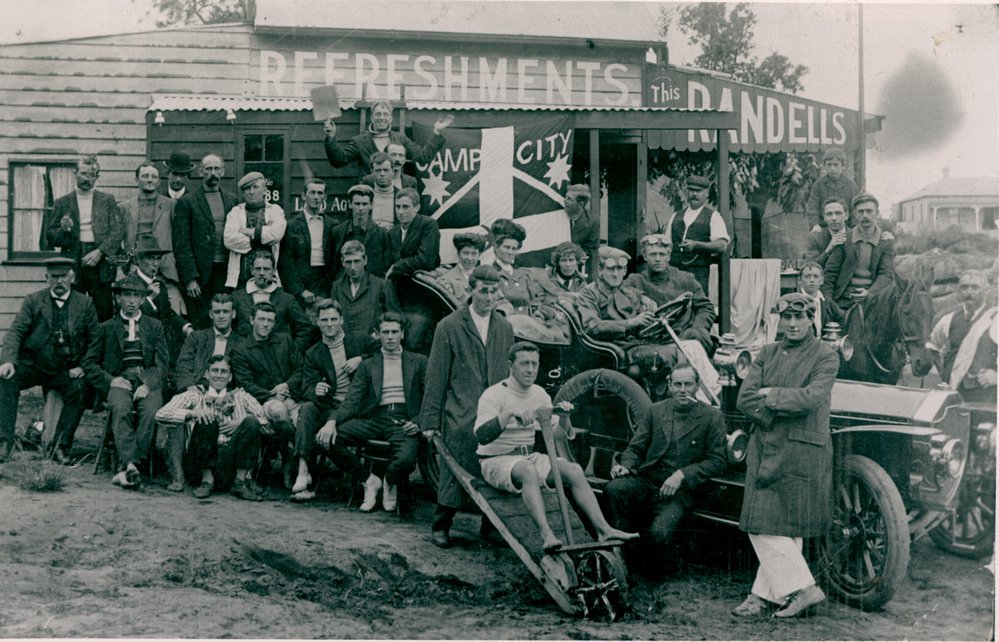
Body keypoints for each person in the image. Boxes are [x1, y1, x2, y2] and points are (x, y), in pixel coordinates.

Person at [474, 341, 639, 551]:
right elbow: (482, 435)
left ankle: (603, 530)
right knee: (528, 470)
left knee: (574, 470)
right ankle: (547, 534)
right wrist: (508, 414)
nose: (530, 369)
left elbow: (557, 436)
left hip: (528, 457)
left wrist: (564, 417)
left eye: (534, 364)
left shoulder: (539, 394)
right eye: (524, 363)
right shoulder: (494, 394)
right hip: (496, 460)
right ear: (511, 366)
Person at [732, 293, 838, 618]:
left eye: (799, 317)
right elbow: (744, 399)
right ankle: (790, 590)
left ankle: (786, 592)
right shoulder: (766, 353)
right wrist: (779, 406)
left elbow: (810, 398)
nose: (792, 324)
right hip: (766, 447)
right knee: (763, 522)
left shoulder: (826, 356)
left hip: (802, 451)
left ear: (811, 319)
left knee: (784, 526)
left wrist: (771, 395)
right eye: (786, 317)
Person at [421, 265, 514, 547]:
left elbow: (509, 373)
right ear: (471, 290)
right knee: (456, 465)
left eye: (494, 291)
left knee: (496, 464)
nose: (489, 297)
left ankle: (490, 525)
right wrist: (430, 421)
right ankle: (442, 524)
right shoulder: (449, 326)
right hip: (462, 410)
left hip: (495, 410)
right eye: (483, 291)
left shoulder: (505, 327)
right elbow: (436, 376)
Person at [601, 365, 727, 564]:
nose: (682, 390)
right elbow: (636, 448)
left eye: (688, 384)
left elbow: (717, 461)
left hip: (681, 492)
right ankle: (620, 553)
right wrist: (625, 465)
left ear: (698, 386)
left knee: (659, 535)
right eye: (677, 384)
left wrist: (682, 475)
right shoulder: (656, 410)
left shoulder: (712, 416)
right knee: (614, 489)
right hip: (648, 481)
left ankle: (651, 563)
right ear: (669, 385)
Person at [315, 312, 427, 512]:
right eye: (385, 332)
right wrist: (331, 422)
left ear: (402, 334)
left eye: (394, 332)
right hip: (375, 419)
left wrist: (418, 422)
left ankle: (389, 482)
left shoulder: (418, 361)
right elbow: (352, 400)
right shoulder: (368, 365)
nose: (390, 337)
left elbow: (430, 399)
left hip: (404, 422)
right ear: (377, 334)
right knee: (329, 438)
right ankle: (369, 480)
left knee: (406, 460)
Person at [576, 246, 721, 398]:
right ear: (600, 270)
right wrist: (630, 323)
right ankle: (691, 399)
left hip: (639, 343)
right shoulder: (589, 293)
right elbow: (592, 326)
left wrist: (654, 318)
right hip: (617, 348)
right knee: (679, 352)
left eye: (620, 269)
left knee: (693, 346)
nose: (616, 274)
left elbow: (642, 317)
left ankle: (713, 394)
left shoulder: (627, 293)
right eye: (611, 269)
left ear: (625, 271)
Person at [0, 258, 101, 464]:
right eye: (54, 277)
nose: (59, 281)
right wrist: (8, 361)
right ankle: (3, 442)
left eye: (63, 276)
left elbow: (96, 340)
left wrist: (83, 365)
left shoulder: (85, 303)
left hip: (65, 369)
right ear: (46, 278)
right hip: (35, 365)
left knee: (79, 389)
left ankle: (61, 446)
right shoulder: (34, 300)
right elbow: (16, 331)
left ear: (72, 277)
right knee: (5, 381)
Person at [83, 274, 170, 489]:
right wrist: (111, 380)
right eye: (127, 295)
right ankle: (132, 464)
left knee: (151, 411)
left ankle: (128, 466)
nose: (131, 300)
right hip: (120, 380)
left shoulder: (155, 325)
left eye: (136, 296)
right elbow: (89, 363)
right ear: (118, 298)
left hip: (147, 379)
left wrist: (148, 383)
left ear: (142, 299)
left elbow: (163, 362)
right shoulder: (106, 327)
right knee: (121, 409)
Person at [155, 354, 266, 501]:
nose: (219, 375)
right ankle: (207, 481)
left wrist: (240, 423)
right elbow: (161, 414)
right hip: (198, 466)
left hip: (230, 464)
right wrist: (193, 413)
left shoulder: (241, 396)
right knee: (207, 418)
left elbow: (266, 421)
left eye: (223, 371)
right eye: (215, 370)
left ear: (230, 377)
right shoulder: (194, 395)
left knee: (251, 421)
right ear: (207, 374)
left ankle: (240, 483)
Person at [291, 299, 364, 498]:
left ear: (341, 320)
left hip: (355, 408)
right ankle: (303, 470)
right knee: (307, 408)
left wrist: (361, 359)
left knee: (321, 431)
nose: (329, 324)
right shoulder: (314, 352)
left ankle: (308, 478)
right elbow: (306, 388)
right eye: (324, 320)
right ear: (317, 322)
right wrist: (316, 390)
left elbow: (381, 353)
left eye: (333, 319)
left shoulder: (358, 341)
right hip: (331, 407)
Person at [229, 302, 303, 488]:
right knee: (279, 411)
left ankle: (300, 465)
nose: (265, 324)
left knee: (304, 421)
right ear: (251, 320)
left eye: (270, 320)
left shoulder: (284, 340)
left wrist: (286, 385)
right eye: (261, 319)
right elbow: (245, 383)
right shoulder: (242, 349)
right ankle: (288, 460)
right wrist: (272, 394)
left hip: (292, 395)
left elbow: (300, 368)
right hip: (265, 400)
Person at [45, 155, 123, 321]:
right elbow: (51, 236)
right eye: (83, 174)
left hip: (100, 262)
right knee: (74, 311)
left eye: (92, 175)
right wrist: (64, 230)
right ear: (75, 173)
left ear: (97, 177)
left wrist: (100, 252)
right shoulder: (62, 202)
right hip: (73, 260)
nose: (87, 179)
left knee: (104, 312)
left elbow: (117, 232)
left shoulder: (107, 200)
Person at [173, 153, 239, 329]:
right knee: (201, 320)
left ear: (222, 171)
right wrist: (190, 278)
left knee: (225, 317)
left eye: (217, 169)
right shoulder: (187, 202)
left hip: (226, 270)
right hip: (201, 275)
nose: (213, 173)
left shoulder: (232, 200)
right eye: (209, 169)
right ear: (201, 172)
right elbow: (181, 243)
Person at [624, 233, 716, 354]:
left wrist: (698, 328)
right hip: (651, 340)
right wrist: (641, 296)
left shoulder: (685, 279)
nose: (658, 259)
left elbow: (706, 308)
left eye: (662, 254)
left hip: (683, 335)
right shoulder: (636, 280)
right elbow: (620, 288)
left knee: (696, 340)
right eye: (653, 254)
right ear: (645, 256)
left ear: (669, 256)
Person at [488, 218, 566, 344]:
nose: (510, 252)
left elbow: (535, 304)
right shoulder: (490, 275)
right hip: (510, 332)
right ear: (496, 248)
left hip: (532, 327)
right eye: (506, 247)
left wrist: (542, 315)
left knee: (560, 335)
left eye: (514, 248)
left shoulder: (524, 275)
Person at [323, 100, 453, 174]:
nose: (381, 117)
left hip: (394, 194)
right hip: (369, 195)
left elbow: (422, 157)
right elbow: (338, 161)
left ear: (390, 118)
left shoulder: (401, 139)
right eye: (378, 114)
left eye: (385, 114)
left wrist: (436, 132)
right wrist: (331, 136)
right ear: (372, 117)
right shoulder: (359, 141)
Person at [121, 161, 183, 315]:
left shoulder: (172, 205)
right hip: (135, 272)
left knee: (173, 313)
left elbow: (180, 239)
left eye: (153, 177)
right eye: (145, 176)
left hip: (165, 271)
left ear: (159, 181)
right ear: (137, 179)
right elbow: (118, 241)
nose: (149, 180)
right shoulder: (124, 208)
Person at [927, 271, 997, 404]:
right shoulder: (949, 319)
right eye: (965, 287)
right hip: (954, 391)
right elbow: (932, 345)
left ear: (986, 290)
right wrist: (943, 372)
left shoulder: (995, 318)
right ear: (959, 290)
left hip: (986, 395)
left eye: (975, 287)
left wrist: (996, 376)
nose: (969, 292)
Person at [822, 192, 895, 310]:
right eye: (861, 211)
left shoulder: (885, 241)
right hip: (844, 300)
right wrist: (829, 306)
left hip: (874, 300)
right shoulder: (844, 239)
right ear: (855, 214)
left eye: (869, 211)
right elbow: (830, 274)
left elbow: (886, 274)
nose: (865, 215)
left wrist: (869, 293)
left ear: (877, 213)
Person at [232, 250, 313, 354]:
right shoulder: (237, 297)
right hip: (245, 355)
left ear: (274, 271)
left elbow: (305, 328)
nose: (262, 273)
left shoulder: (286, 299)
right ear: (251, 270)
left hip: (276, 357)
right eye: (258, 269)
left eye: (266, 269)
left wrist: (291, 351)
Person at [330, 240, 400, 357]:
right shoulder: (337, 286)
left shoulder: (381, 285)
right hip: (345, 349)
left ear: (365, 260)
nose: (353, 267)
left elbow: (394, 317)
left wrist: (378, 334)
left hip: (373, 350)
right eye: (348, 262)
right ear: (342, 262)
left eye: (357, 261)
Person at [665, 175, 730, 294]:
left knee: (697, 302)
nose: (695, 194)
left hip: (698, 275)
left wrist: (697, 245)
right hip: (674, 273)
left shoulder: (713, 217)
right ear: (687, 192)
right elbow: (666, 244)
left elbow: (722, 245)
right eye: (691, 190)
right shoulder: (676, 216)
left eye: (699, 191)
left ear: (706, 193)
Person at [278, 178, 337, 309]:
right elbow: (286, 262)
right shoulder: (291, 226)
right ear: (304, 195)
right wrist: (300, 290)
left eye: (320, 193)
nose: (316, 197)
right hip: (302, 282)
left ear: (325, 197)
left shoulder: (333, 225)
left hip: (325, 283)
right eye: (312, 192)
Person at [223, 171, 287, 290]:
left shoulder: (275, 210)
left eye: (255, 187)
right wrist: (261, 238)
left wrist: (249, 232)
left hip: (269, 279)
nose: (251, 192)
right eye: (247, 188)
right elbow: (229, 240)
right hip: (241, 279)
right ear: (243, 193)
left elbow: (276, 234)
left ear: (264, 190)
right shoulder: (235, 212)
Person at [175, 293, 238, 393]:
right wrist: (190, 386)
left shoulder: (241, 343)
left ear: (233, 314)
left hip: (228, 392)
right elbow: (183, 365)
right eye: (217, 312)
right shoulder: (196, 337)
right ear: (210, 314)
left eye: (226, 312)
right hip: (197, 388)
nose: (221, 316)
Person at [329, 184, 393, 280]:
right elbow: (332, 266)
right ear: (350, 204)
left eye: (365, 204)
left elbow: (385, 267)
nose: (361, 208)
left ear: (371, 205)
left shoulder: (382, 234)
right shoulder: (338, 231)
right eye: (357, 204)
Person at [386, 187, 440, 278]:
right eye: (397, 207)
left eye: (405, 207)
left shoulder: (428, 225)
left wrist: (396, 266)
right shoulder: (393, 232)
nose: (400, 212)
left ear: (417, 207)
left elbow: (425, 260)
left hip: (421, 280)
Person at [805, 148, 859, 231]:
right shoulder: (818, 185)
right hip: (824, 227)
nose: (832, 168)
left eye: (836, 165)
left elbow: (855, 209)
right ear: (824, 165)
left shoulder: (851, 185)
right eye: (829, 165)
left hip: (846, 228)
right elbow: (813, 208)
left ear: (842, 166)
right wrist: (815, 224)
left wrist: (854, 226)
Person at [796, 260, 843, 337]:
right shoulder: (795, 301)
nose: (812, 280)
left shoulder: (827, 302)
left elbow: (842, 320)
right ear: (799, 280)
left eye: (816, 276)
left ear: (821, 281)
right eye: (807, 276)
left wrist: (833, 336)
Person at [436, 232, 488, 301]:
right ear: (458, 253)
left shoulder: (485, 277)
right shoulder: (446, 280)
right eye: (466, 253)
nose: (469, 258)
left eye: (474, 253)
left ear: (479, 255)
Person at [804, 197, 850, 268]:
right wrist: (828, 250)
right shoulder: (815, 238)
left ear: (846, 215)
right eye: (829, 214)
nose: (834, 218)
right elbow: (810, 267)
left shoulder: (855, 235)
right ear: (824, 217)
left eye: (838, 213)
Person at [563, 185, 598, 278]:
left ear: (580, 204)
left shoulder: (592, 222)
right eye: (565, 197)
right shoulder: (559, 216)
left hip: (576, 266)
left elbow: (591, 248)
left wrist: (581, 256)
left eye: (569, 199)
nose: (564, 200)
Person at [366, 152, 398, 229]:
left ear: (393, 171)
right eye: (378, 170)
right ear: (372, 172)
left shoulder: (400, 196)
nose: (382, 174)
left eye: (386, 170)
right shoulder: (365, 195)